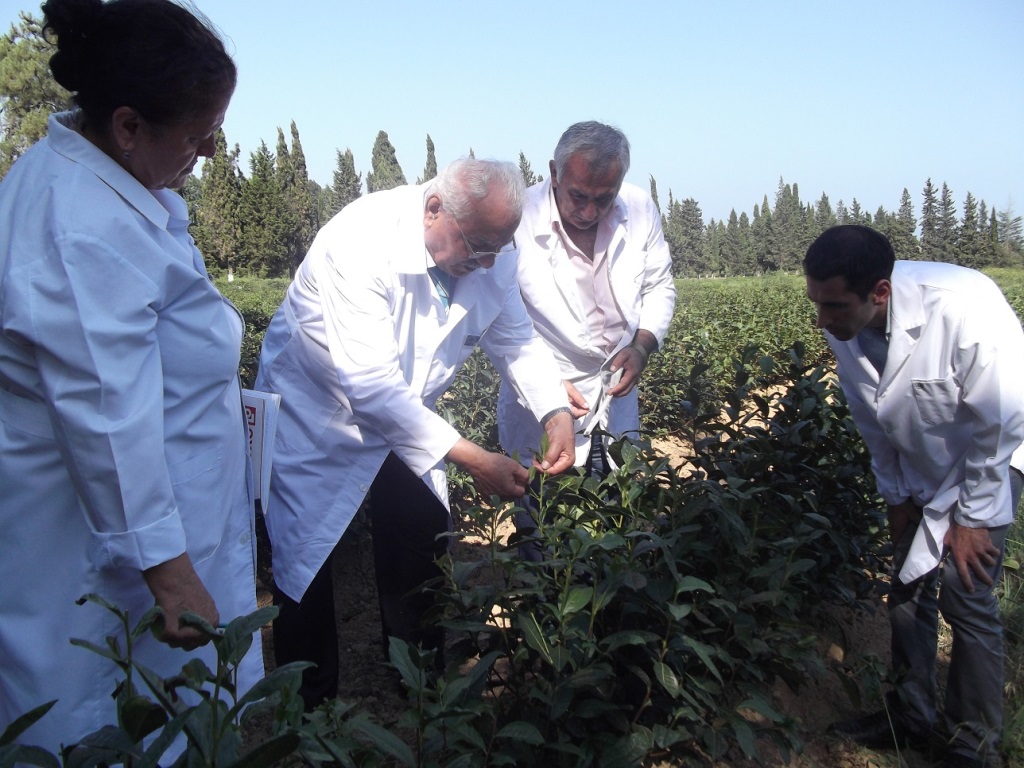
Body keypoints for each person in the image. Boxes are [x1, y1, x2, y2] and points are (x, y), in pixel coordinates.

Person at [0, 0, 263, 755]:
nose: (210, 150)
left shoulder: (115, 185)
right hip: (93, 550)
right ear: (126, 124)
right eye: (199, 134)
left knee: (168, 720)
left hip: (155, 521)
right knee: (106, 720)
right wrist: (170, 573)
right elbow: (103, 413)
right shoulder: (80, 222)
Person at [255, 158, 575, 710]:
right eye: (478, 247)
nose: (488, 262)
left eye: (498, 249)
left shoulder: (491, 252)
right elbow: (373, 389)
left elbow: (516, 340)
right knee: (303, 561)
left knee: (419, 536)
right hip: (318, 417)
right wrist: (475, 459)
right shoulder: (358, 242)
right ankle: (308, 707)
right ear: (434, 210)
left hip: (409, 417)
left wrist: (554, 411)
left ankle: (419, 679)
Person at [804, 224, 1024, 768]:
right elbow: (871, 417)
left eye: (833, 306)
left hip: (995, 457)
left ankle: (973, 742)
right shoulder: (846, 325)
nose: (822, 321)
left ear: (880, 292)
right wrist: (897, 496)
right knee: (906, 586)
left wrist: (973, 518)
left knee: (965, 589)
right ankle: (910, 714)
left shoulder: (962, 305)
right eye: (817, 303)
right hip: (925, 464)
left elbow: (1000, 422)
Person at [497, 121, 675, 479]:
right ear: (554, 173)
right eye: (579, 196)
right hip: (544, 396)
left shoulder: (639, 207)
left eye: (604, 198)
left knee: (615, 508)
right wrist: (543, 387)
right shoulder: (517, 219)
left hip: (616, 396)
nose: (590, 212)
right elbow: (497, 319)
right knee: (543, 511)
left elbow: (659, 285)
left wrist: (642, 347)